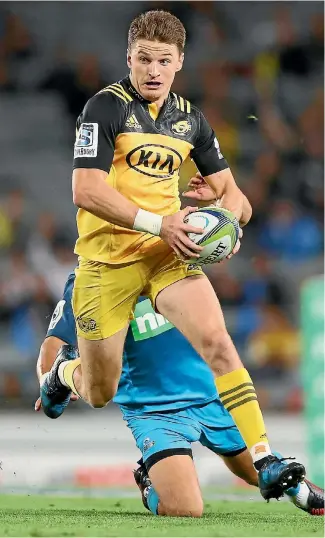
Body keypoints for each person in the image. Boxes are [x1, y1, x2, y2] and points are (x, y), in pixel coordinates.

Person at [41, 10, 305, 500]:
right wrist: (159, 221)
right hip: (108, 261)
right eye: (144, 59)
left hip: (167, 254)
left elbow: (239, 201)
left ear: (180, 61)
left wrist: (223, 216)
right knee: (99, 390)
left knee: (218, 343)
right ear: (130, 58)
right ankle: (63, 373)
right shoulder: (105, 108)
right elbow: (85, 189)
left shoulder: (191, 120)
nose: (154, 70)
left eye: (164, 60)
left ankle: (266, 457)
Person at [36, 270, 324, 517]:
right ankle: (148, 481)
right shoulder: (92, 276)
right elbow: (55, 339)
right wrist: (48, 377)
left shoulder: (172, 258)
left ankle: (306, 494)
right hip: (154, 411)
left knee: (255, 471)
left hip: (212, 397)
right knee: (186, 508)